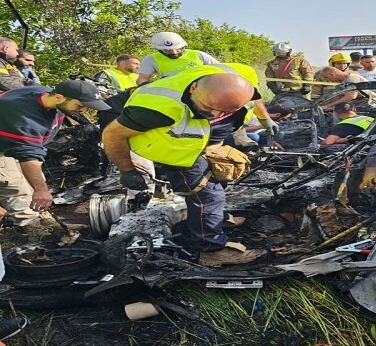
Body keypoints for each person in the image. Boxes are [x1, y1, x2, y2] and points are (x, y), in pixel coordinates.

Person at [102, 65, 267, 266]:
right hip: (172, 147)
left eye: (223, 111)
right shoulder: (156, 109)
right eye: (208, 108)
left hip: (199, 141)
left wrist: (265, 121)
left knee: (219, 180)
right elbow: (112, 135)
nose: (214, 115)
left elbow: (252, 103)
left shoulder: (235, 82)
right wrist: (126, 169)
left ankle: (209, 221)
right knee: (206, 195)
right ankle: (210, 249)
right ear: (193, 88)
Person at [0, 80, 110, 226]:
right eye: (80, 106)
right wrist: (41, 190)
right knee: (16, 187)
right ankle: (34, 228)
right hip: (5, 145)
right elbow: (28, 156)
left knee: (32, 180)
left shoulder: (46, 95)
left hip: (9, 142)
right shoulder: (25, 117)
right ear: (58, 97)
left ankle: (40, 215)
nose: (83, 111)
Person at [137, 32, 219, 84]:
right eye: (167, 50)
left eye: (177, 49)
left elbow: (221, 69)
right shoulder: (151, 59)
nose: (174, 52)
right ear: (159, 50)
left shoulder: (198, 55)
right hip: (171, 94)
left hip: (201, 91)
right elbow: (143, 79)